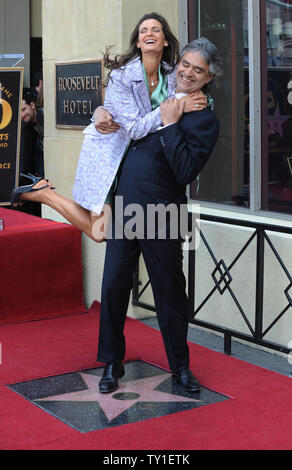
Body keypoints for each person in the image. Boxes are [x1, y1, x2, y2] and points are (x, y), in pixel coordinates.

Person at [10, 13, 208, 242]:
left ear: (165, 40)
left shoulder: (172, 73)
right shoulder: (122, 75)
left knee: (121, 230)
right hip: (110, 154)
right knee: (99, 232)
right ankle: (45, 194)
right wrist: (171, 108)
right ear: (138, 42)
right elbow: (134, 128)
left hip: (141, 163)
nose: (149, 34)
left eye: (155, 29)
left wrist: (202, 99)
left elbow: (191, 94)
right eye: (144, 31)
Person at [97, 37, 221, 395]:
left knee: (170, 293)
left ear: (208, 77)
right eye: (185, 64)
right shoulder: (154, 93)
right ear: (177, 63)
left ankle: (181, 368)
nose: (188, 72)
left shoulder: (205, 118)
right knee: (114, 287)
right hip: (125, 206)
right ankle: (111, 362)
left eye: (198, 70)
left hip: (164, 213)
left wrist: (168, 126)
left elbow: (184, 172)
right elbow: (117, 110)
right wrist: (98, 112)